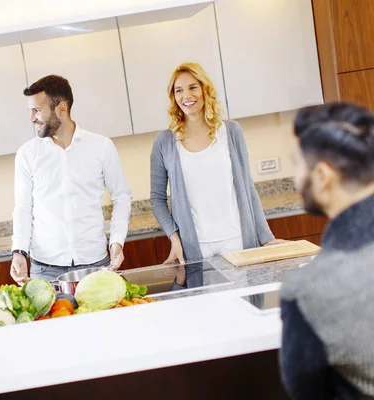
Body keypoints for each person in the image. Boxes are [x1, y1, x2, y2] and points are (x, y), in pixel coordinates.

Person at [279, 102, 374, 399]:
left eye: (298, 164)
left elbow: (307, 391)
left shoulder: (309, 291)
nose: (296, 178)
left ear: (322, 175)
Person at [150, 62, 282, 264]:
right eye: (179, 90)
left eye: (193, 87)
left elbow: (247, 187)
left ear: (205, 89)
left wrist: (266, 238)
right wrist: (174, 238)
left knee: (244, 296)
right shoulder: (165, 141)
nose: (186, 96)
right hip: (196, 246)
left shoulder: (230, 131)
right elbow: (157, 199)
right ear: (173, 97)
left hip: (238, 240)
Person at [10, 75, 133, 284]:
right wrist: (19, 252)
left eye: (37, 110)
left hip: (95, 264)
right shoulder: (27, 154)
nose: (31, 118)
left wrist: (117, 241)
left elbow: (122, 196)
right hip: (45, 268)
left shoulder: (101, 147)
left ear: (61, 108)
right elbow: (23, 208)